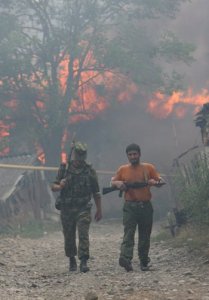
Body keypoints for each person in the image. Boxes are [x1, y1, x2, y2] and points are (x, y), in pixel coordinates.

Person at [111, 143, 164, 272]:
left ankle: (144, 261)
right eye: (130, 155)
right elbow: (112, 182)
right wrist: (118, 184)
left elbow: (160, 181)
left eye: (135, 154)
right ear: (127, 156)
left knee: (145, 234)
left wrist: (155, 182)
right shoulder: (122, 169)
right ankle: (125, 259)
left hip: (145, 206)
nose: (133, 156)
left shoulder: (148, 168)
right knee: (129, 233)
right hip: (130, 206)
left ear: (139, 154)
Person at [51, 142, 102, 273]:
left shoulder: (89, 170)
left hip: (83, 207)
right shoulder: (65, 168)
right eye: (78, 155)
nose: (80, 158)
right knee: (69, 236)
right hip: (67, 208)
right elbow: (53, 186)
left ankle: (83, 261)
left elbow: (96, 192)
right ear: (74, 154)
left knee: (83, 233)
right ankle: (72, 259)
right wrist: (60, 185)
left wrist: (99, 209)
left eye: (82, 155)